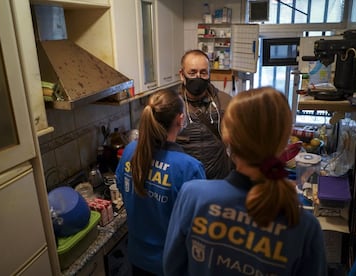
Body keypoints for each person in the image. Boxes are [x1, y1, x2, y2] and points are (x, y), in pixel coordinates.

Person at [163, 87, 327, 276]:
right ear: (285, 144)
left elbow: (172, 269)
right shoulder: (305, 226)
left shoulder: (193, 196)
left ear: (227, 137)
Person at [115, 89, 206, 276]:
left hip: (137, 259)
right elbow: (198, 225)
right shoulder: (189, 168)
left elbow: (123, 189)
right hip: (171, 264)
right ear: (180, 120)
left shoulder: (130, 151)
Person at [177, 49, 233, 179]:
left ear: (209, 74)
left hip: (219, 180)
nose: (198, 77)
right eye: (192, 72)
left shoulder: (226, 102)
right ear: (182, 74)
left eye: (203, 72)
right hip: (186, 182)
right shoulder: (173, 105)